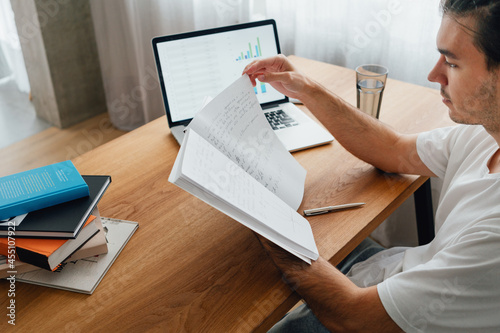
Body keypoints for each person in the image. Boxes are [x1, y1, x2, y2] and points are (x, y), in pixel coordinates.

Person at [242, 0, 500, 332]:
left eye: (451, 62)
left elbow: (353, 318)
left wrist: (265, 218)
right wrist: (305, 89)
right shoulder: (485, 134)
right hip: (403, 275)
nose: (434, 74)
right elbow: (393, 149)